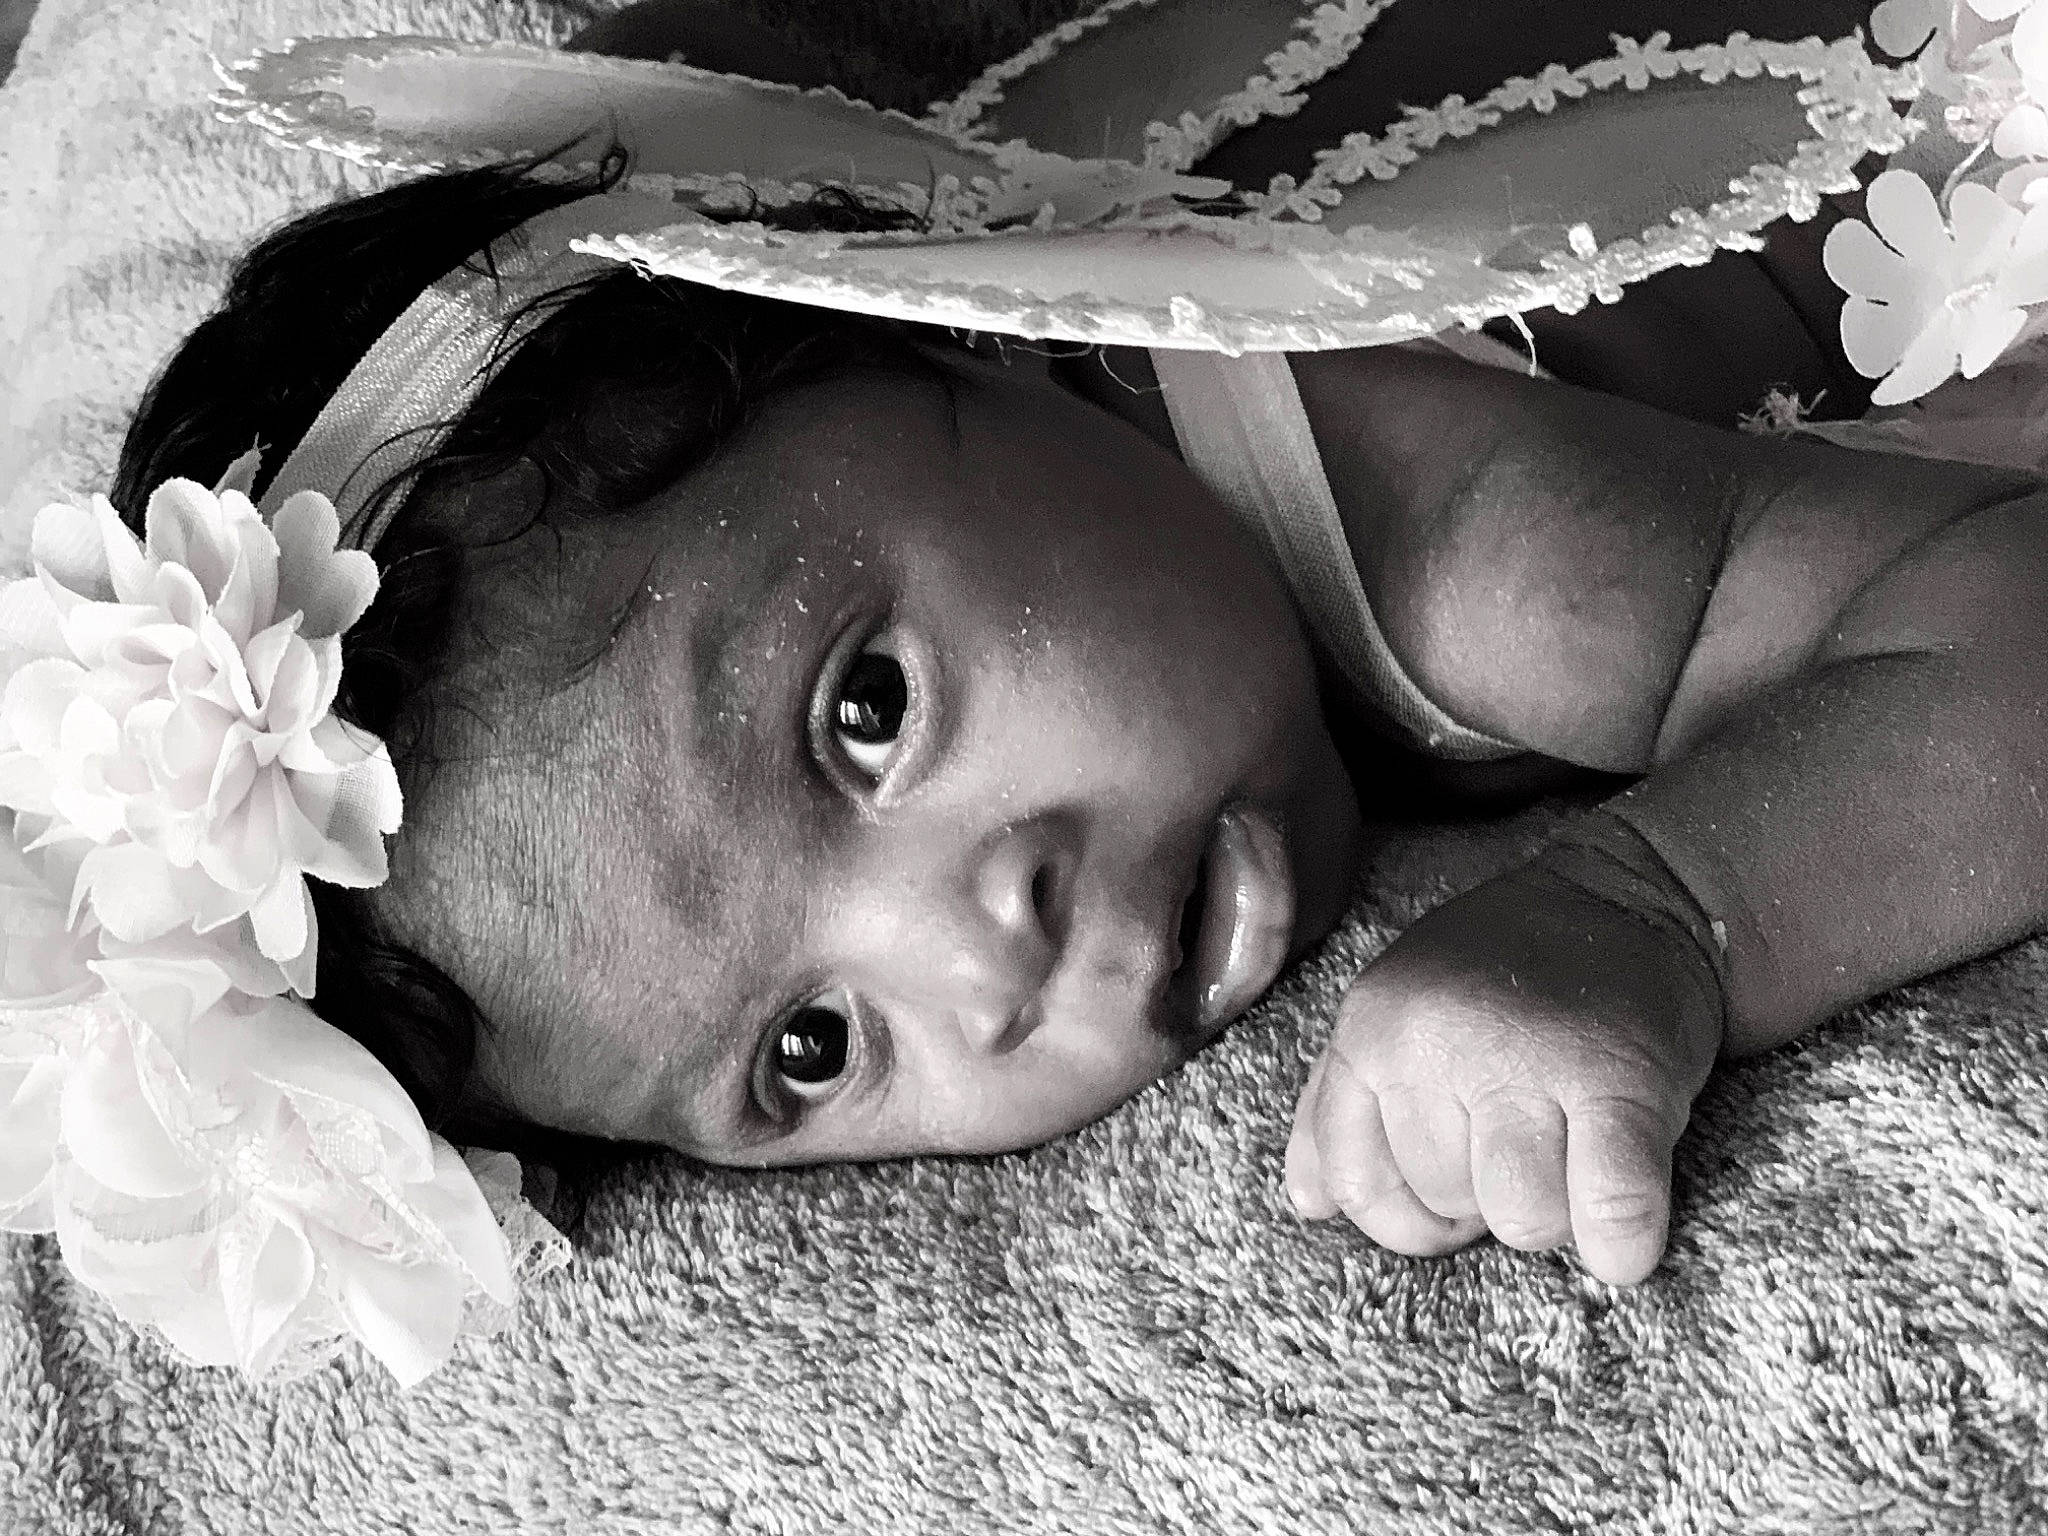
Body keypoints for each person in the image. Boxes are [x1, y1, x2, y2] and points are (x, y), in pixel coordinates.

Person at [14, 0, 2048, 1384]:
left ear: (936, 331)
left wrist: (1659, 909)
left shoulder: (1466, 544)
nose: (988, 959)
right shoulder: (991, 486)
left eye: (867, 714)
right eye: (809, 1049)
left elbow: (2011, 624)